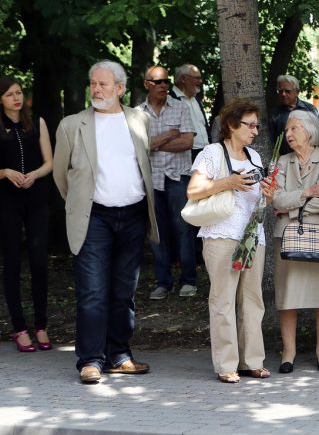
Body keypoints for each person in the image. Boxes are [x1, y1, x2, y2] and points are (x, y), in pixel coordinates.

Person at [53, 60, 159, 384]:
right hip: (94, 216)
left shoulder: (140, 120)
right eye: (93, 83)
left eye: (103, 84)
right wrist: (83, 203)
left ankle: (119, 355)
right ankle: (90, 360)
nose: (96, 89)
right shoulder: (72, 125)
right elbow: (62, 177)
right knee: (93, 291)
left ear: (121, 88)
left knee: (124, 290)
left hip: (133, 214)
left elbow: (143, 163)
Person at [187, 98, 274, 384]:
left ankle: (253, 361)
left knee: (252, 300)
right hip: (221, 235)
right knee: (223, 300)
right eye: (250, 125)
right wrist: (229, 182)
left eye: (257, 125)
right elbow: (194, 190)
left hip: (252, 236)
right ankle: (226, 364)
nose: (255, 131)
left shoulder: (255, 157)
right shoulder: (212, 153)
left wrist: (268, 194)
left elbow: (258, 197)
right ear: (232, 125)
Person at [272, 110, 319, 373]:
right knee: (288, 296)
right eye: (287, 130)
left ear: (309, 131)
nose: (288, 134)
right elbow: (275, 199)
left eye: (294, 129)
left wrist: (292, 204)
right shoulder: (281, 162)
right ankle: (289, 352)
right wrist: (308, 192)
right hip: (287, 237)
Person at [1, 76, 53, 352]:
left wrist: (34, 174)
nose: (16, 98)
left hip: (36, 198)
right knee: (12, 262)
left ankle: (41, 325)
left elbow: (50, 162)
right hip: (7, 201)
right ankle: (19, 327)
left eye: (18, 93)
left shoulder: (38, 122)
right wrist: (5, 172)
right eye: (9, 94)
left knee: (39, 262)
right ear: (1, 99)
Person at [137, 65, 198, 300]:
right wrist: (168, 135)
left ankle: (189, 280)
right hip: (151, 179)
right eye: (158, 81)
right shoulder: (137, 114)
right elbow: (137, 147)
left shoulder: (181, 107)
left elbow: (187, 143)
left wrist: (151, 143)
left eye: (166, 81)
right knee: (156, 232)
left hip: (177, 176)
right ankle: (163, 282)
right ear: (147, 84)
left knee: (183, 230)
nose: (164, 85)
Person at [269, 74, 319, 155]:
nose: (283, 94)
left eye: (287, 91)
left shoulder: (310, 110)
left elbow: (318, 139)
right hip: (285, 162)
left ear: (297, 92)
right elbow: (271, 142)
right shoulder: (274, 114)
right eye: (280, 91)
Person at [172, 63, 210, 163]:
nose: (200, 81)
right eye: (197, 78)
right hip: (184, 158)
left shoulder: (196, 99)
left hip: (205, 153)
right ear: (184, 79)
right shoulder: (169, 100)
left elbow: (204, 126)